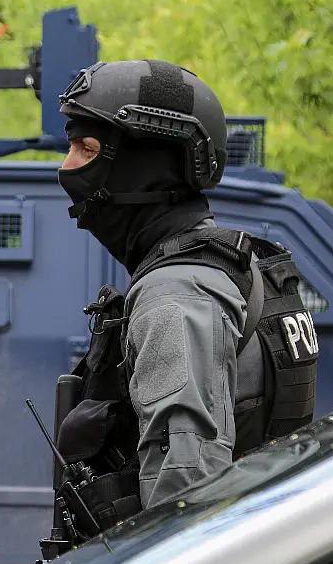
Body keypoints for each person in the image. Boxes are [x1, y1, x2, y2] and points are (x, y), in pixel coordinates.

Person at [51, 60, 317, 521]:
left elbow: (184, 499)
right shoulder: (241, 265)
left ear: (147, 165)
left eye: (86, 148)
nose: (67, 167)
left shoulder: (175, 295)